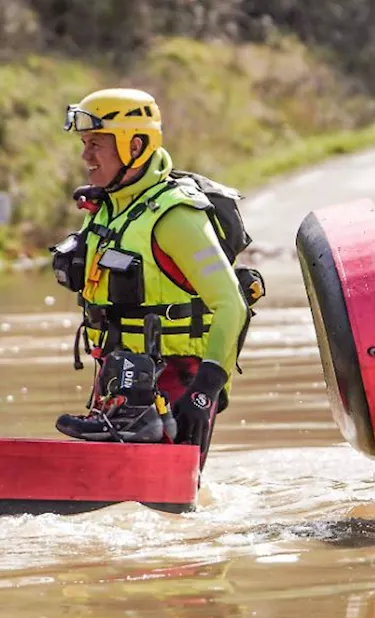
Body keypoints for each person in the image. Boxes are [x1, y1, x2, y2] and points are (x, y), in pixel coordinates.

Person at [51, 88, 248, 465]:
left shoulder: (177, 216)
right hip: (119, 377)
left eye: (96, 144)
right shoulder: (107, 207)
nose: (85, 156)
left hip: (179, 382)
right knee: (113, 503)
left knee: (158, 513)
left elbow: (232, 306)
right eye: (84, 143)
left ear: (135, 145)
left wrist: (203, 392)